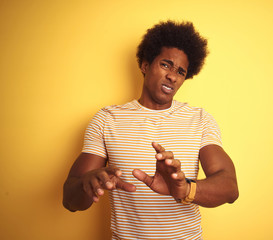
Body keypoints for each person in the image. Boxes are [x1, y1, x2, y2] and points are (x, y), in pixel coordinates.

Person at [63, 20, 238, 240]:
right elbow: (69, 200)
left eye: (181, 71)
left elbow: (230, 187)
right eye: (166, 65)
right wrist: (87, 184)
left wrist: (184, 189)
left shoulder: (200, 119)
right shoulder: (107, 119)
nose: (172, 76)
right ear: (145, 65)